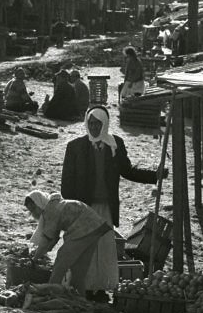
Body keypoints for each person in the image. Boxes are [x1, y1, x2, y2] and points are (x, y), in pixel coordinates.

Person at [61, 106, 159, 300]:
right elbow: (67, 183)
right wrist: (74, 209)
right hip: (84, 208)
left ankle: (99, 288)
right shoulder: (75, 146)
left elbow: (128, 171)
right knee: (84, 248)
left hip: (105, 207)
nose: (94, 127)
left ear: (105, 124)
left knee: (104, 248)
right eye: (91, 123)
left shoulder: (115, 145)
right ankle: (82, 287)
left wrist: (154, 176)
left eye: (98, 124)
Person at [25, 189, 118, 298]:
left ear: (39, 203)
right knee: (79, 269)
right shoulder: (55, 203)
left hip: (82, 228)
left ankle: (50, 293)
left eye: (34, 209)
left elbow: (47, 239)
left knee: (61, 262)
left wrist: (35, 258)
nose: (33, 213)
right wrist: (43, 251)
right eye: (30, 211)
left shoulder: (50, 210)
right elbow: (53, 237)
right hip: (95, 228)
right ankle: (80, 298)